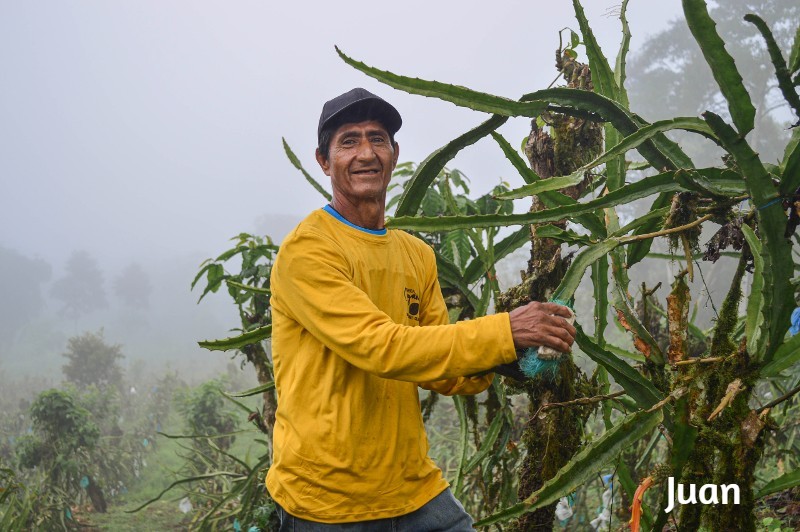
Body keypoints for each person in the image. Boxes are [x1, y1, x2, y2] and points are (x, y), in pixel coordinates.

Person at [265, 87, 576, 531]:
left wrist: (512, 356)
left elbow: (438, 367)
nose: (366, 152)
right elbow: (383, 347)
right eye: (349, 141)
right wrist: (506, 331)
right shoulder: (309, 251)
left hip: (414, 489)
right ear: (323, 159)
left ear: (394, 153)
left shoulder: (415, 254)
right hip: (329, 501)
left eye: (378, 138)